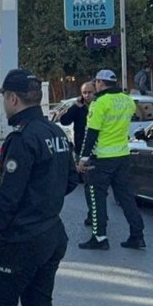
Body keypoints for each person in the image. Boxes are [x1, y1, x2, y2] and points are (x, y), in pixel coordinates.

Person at [0, 69, 79, 306]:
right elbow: (71, 179)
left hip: (22, 240)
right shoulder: (55, 132)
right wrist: (44, 197)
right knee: (39, 305)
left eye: (4, 98)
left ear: (12, 99)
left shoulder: (22, 138)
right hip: (52, 234)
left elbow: (8, 196)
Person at [77, 69, 146, 250]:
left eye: (96, 83)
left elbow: (91, 133)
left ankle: (99, 238)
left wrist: (83, 159)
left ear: (100, 83)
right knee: (126, 197)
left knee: (97, 196)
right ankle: (137, 235)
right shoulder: (127, 100)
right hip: (122, 156)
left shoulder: (99, 103)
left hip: (102, 158)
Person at [59, 81, 97, 226]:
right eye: (84, 92)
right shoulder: (79, 107)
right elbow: (64, 121)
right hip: (81, 149)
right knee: (90, 184)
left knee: (93, 186)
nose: (87, 95)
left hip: (97, 151)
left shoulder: (99, 106)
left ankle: (96, 216)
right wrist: (75, 107)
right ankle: (94, 214)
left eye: (90, 92)